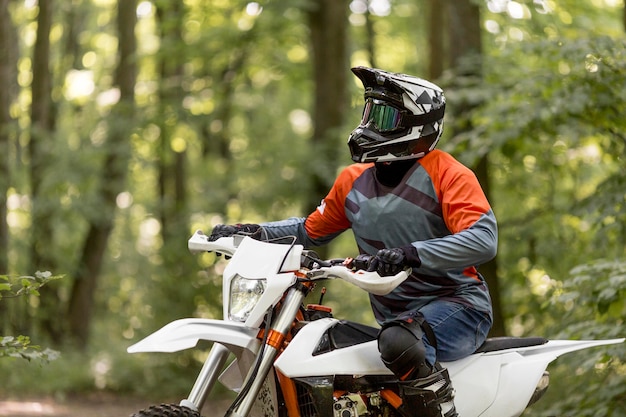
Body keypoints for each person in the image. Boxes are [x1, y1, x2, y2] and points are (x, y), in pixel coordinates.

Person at [209, 66, 497, 417]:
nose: (372, 124)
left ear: (416, 125)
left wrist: (410, 254)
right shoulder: (353, 181)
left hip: (461, 308)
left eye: (385, 115)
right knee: (321, 344)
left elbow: (483, 240)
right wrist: (255, 231)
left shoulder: (449, 174)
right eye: (370, 112)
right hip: (399, 320)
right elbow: (309, 230)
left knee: (397, 341)